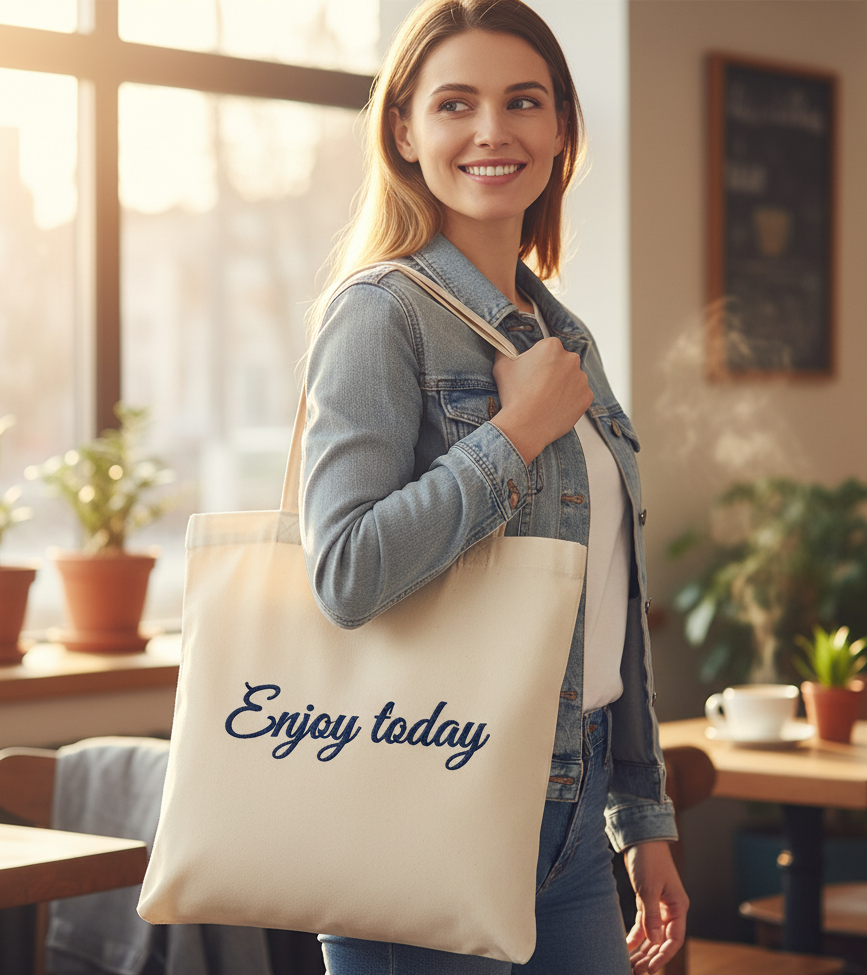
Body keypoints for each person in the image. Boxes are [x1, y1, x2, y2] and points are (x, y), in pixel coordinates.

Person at [299, 1, 687, 972]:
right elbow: (344, 572)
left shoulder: (567, 341)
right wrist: (512, 437)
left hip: (572, 811)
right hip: (420, 805)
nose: (490, 132)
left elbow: (608, 599)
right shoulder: (377, 316)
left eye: (522, 102)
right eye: (454, 103)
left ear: (558, 130)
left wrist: (642, 819)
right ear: (404, 129)